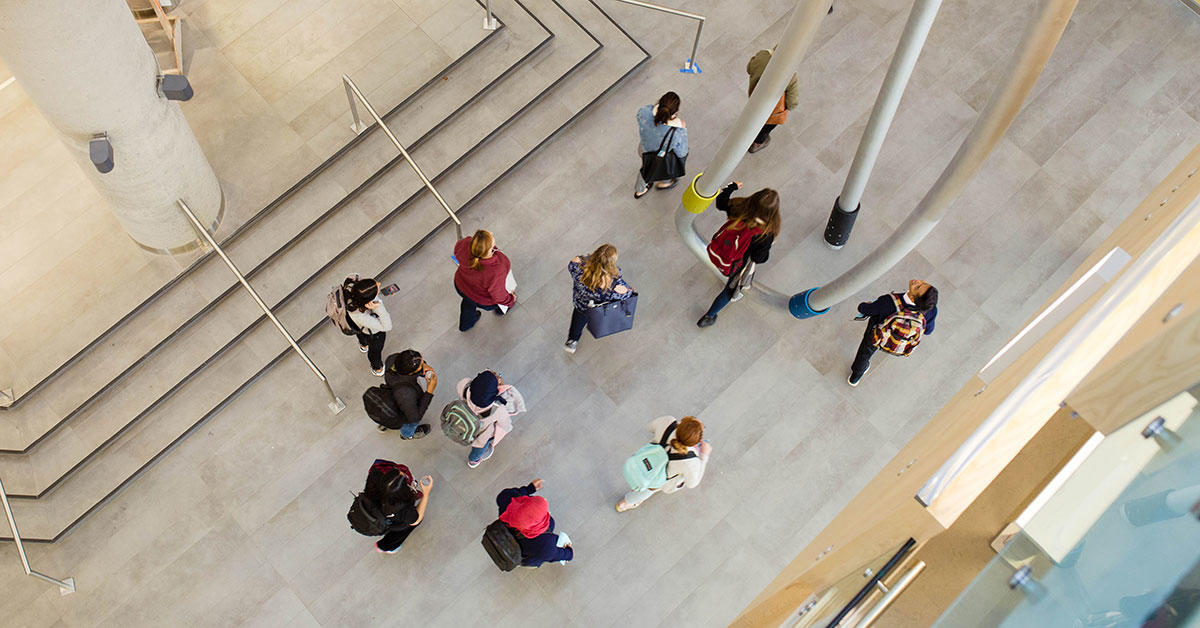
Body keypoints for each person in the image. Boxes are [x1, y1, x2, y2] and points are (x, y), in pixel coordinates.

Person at [697, 182, 781, 328]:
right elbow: (758, 258)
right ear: (773, 213)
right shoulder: (766, 233)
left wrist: (732, 187)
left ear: (755, 198)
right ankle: (708, 317)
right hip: (736, 264)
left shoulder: (740, 207)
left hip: (720, 249)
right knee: (730, 290)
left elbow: (721, 202)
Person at [848, 279, 939, 387]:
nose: (918, 282)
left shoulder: (889, 301)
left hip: (876, 335)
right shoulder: (931, 310)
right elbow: (928, 330)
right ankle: (854, 379)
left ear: (912, 298)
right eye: (923, 283)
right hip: (895, 340)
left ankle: (856, 376)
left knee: (864, 354)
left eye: (918, 287)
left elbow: (865, 309)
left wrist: (864, 305)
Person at [616, 416, 711, 512]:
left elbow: (650, 427)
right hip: (659, 480)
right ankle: (625, 503)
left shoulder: (667, 421)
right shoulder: (690, 461)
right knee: (650, 488)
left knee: (646, 482)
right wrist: (704, 456)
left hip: (643, 460)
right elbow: (692, 484)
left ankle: (626, 502)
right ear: (695, 442)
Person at [564, 244, 634, 354]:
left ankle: (572, 341)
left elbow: (572, 263)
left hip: (580, 303)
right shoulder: (613, 283)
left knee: (577, 322)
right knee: (592, 318)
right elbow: (625, 296)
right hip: (597, 309)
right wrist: (628, 290)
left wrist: (583, 259)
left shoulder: (578, 267)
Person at [496, 478, 573, 567]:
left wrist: (529, 489)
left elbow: (511, 495)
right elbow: (557, 555)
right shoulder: (547, 544)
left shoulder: (507, 501)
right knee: (550, 525)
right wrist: (569, 553)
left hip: (505, 534)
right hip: (524, 550)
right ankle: (524, 564)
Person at [364, 459, 432, 554]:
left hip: (373, 510)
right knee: (404, 528)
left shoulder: (375, 476)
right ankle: (386, 546)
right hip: (391, 522)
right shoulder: (402, 510)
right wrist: (426, 493)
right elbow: (416, 519)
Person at [453, 230, 514, 332]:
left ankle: (466, 324)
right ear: (490, 248)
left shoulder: (464, 244)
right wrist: (510, 300)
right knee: (504, 300)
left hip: (461, 285)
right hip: (482, 299)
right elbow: (498, 295)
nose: (492, 233)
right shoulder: (497, 268)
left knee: (468, 302)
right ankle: (500, 310)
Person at [456, 370, 520, 468]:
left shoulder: (463, 385)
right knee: (479, 448)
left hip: (464, 421)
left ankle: (473, 460)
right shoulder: (497, 409)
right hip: (481, 434)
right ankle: (473, 461)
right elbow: (506, 426)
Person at [635, 91, 688, 199]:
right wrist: (682, 128)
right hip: (660, 156)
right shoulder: (677, 131)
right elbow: (682, 152)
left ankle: (640, 190)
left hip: (644, 148)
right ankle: (664, 182)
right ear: (676, 112)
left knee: (645, 169)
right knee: (661, 168)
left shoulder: (644, 112)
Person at [746, 48, 799, 153]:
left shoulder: (763, 55)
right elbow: (792, 102)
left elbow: (749, 68)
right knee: (765, 128)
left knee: (753, 115)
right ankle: (757, 144)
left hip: (755, 97)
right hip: (771, 111)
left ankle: (748, 129)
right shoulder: (790, 75)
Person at [380, 349, 436, 439]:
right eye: (421, 365)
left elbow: (409, 365)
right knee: (409, 424)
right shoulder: (406, 394)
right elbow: (415, 417)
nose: (424, 365)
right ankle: (406, 435)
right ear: (410, 373)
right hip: (404, 408)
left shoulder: (392, 359)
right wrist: (429, 391)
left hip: (390, 396)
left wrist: (422, 367)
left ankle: (386, 422)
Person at [344, 277, 392, 375]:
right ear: (368, 301)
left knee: (360, 333)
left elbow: (355, 276)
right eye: (376, 288)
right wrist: (379, 305)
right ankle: (376, 367)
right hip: (371, 332)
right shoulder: (361, 316)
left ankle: (363, 345)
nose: (379, 283)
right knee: (375, 350)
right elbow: (387, 326)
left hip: (356, 324)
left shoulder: (350, 286)